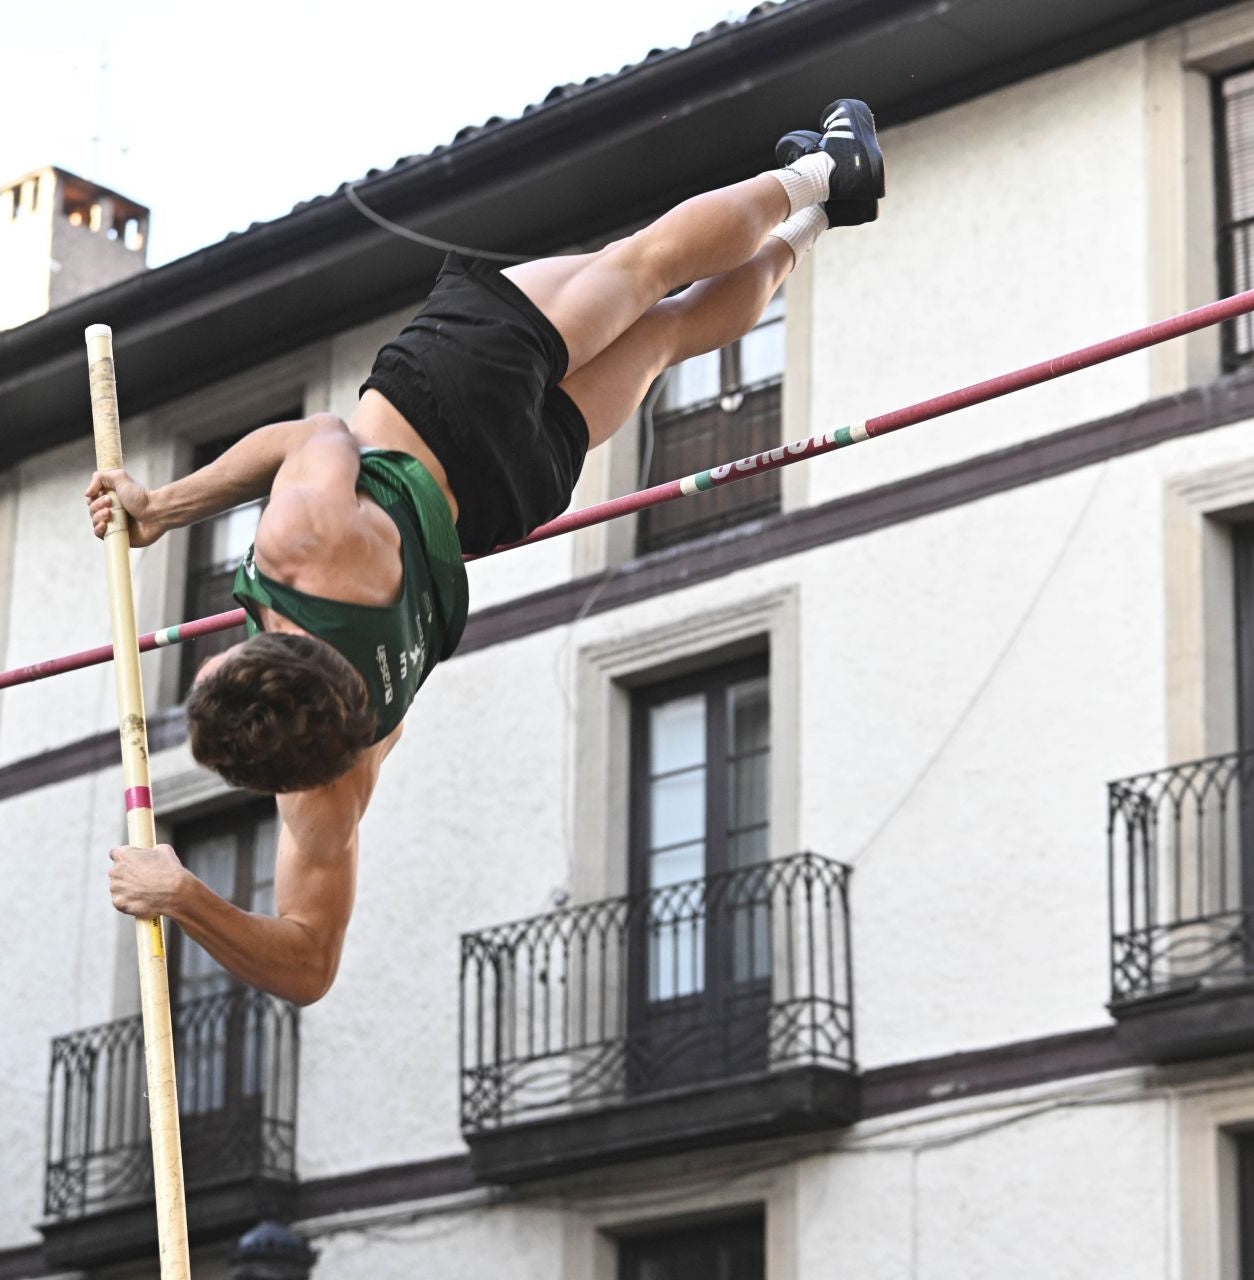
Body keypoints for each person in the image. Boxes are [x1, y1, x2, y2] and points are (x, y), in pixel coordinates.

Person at [86, 101, 885, 1004]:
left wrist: (187, 896)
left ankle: (816, 227)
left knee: (665, 336)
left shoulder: (334, 782)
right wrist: (163, 508)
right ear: (254, 647)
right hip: (456, 391)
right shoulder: (299, 547)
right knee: (646, 266)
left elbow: (309, 966)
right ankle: (827, 173)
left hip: (514, 494)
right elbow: (316, 437)